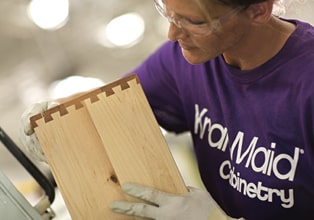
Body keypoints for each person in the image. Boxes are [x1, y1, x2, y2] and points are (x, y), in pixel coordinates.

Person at [20, 0, 314, 219]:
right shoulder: (186, 60)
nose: (173, 33)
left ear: (259, 10)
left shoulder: (307, 86)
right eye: (167, 12)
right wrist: (55, 116)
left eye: (195, 23)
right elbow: (111, 104)